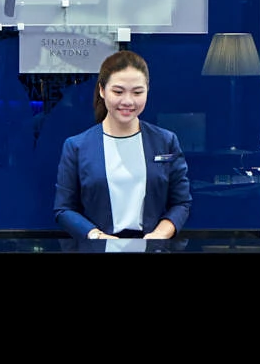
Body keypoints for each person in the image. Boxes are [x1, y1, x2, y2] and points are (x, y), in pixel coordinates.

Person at [54, 49, 192, 241]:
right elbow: (64, 209)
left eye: (137, 92)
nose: (128, 101)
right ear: (102, 90)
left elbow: (181, 203)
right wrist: (97, 237)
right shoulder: (77, 146)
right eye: (118, 92)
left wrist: (159, 235)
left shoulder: (166, 141)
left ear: (147, 91)